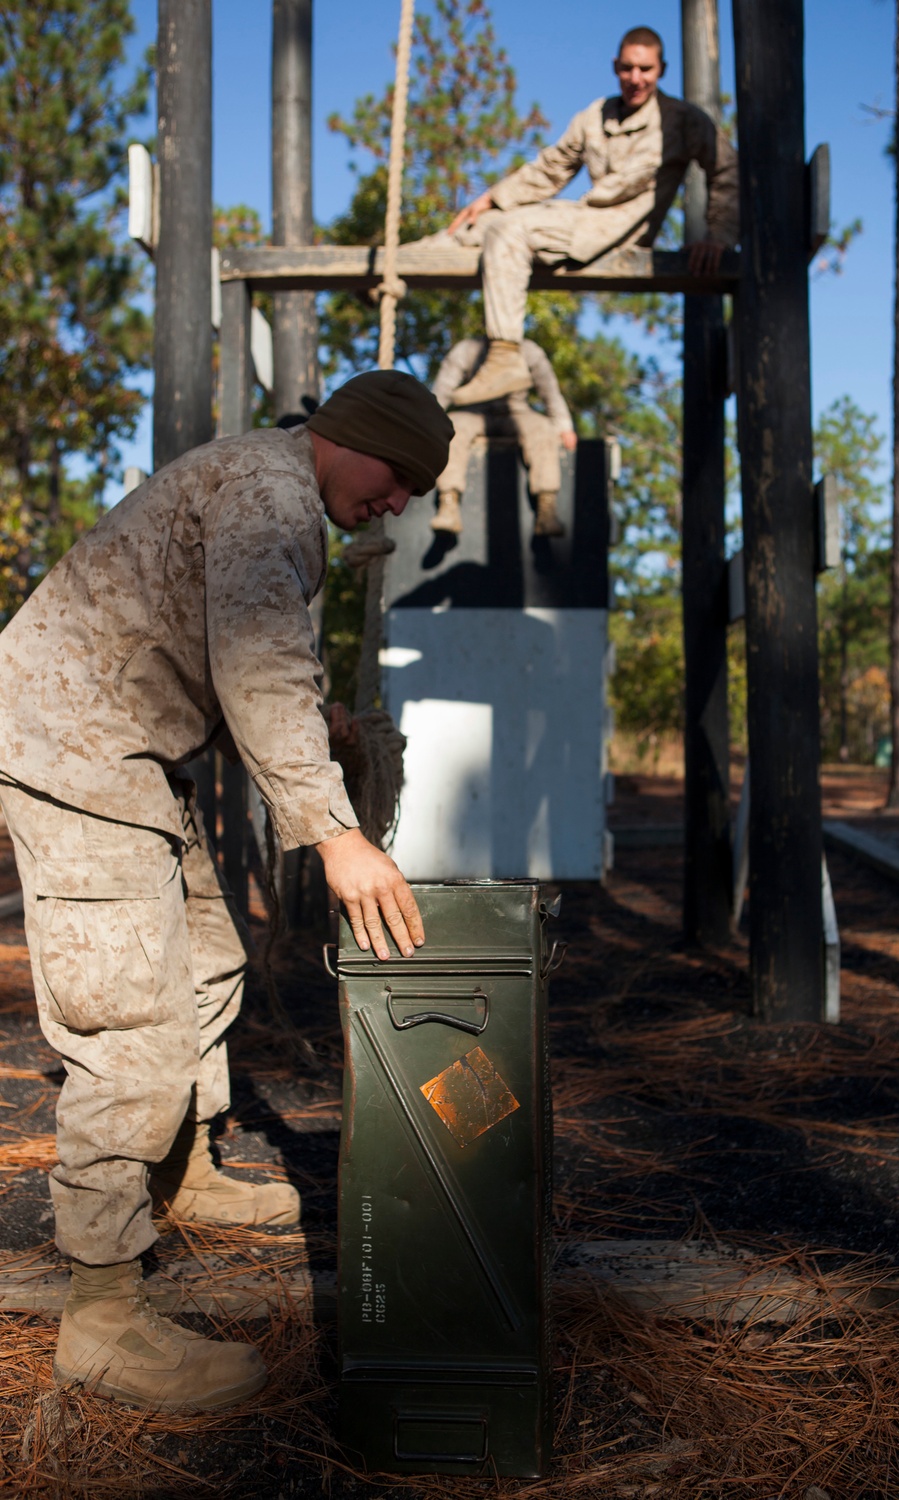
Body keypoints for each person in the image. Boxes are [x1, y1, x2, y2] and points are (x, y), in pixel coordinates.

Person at [0, 371, 452, 1413]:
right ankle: (103, 1315)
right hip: (77, 753)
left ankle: (179, 1170)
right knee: (132, 1026)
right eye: (399, 478)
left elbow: (245, 649)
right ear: (352, 438)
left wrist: (319, 719)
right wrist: (336, 833)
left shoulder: (269, 480)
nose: (399, 502)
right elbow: (256, 671)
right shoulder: (272, 497)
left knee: (207, 953)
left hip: (124, 755)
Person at [422, 24, 738, 408]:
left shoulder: (683, 121)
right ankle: (394, 266)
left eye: (645, 69)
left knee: (510, 231)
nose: (635, 79)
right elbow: (552, 168)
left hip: (620, 228)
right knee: (479, 225)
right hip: (583, 217)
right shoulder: (595, 116)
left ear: (661, 70)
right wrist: (493, 197)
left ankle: (505, 356)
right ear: (615, 66)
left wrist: (717, 236)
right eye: (627, 68)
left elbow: (727, 170)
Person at [431, 336, 576, 537]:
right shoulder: (467, 349)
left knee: (543, 429)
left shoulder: (529, 350)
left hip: (517, 412)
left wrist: (564, 426)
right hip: (475, 412)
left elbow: (549, 390)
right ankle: (448, 505)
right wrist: (427, 424)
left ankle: (547, 509)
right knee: (452, 427)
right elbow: (443, 390)